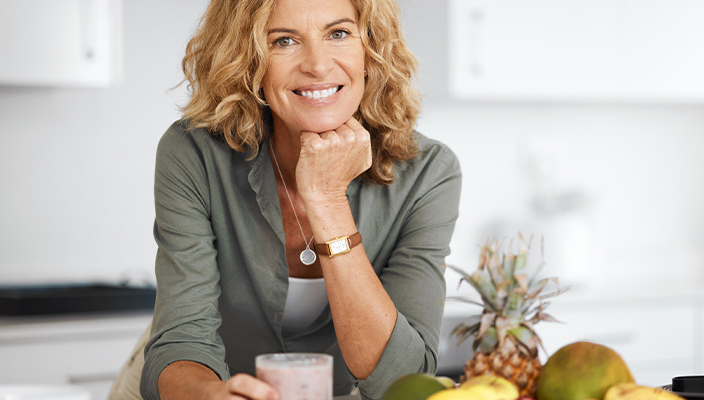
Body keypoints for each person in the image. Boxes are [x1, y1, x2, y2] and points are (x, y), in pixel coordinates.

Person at [123, 0, 462, 399]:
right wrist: (212, 395)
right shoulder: (194, 153)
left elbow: (404, 381)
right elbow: (183, 341)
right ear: (249, 60)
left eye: (338, 33)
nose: (317, 65)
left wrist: (327, 201)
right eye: (284, 40)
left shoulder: (428, 172)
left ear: (370, 52)